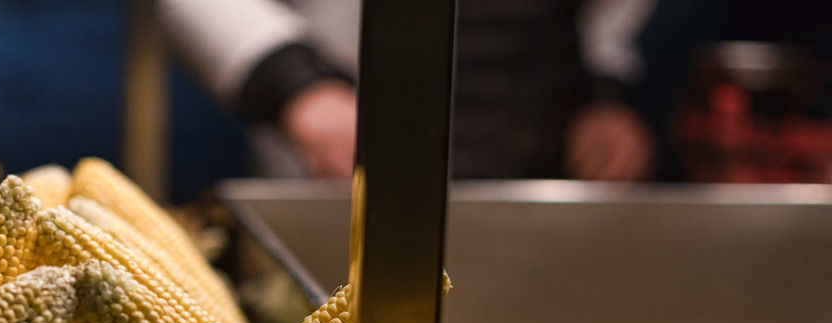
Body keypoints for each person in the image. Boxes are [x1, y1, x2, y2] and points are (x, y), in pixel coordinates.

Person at [157, 0, 656, 182]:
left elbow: (609, 25)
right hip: (340, 183)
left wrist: (604, 99)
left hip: (541, 186)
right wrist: (297, 87)